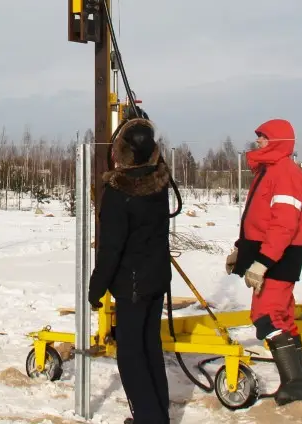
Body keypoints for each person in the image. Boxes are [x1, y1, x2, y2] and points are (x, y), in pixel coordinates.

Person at [88, 117, 172, 424]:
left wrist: (97, 288)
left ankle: (149, 419)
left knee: (131, 355)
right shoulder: (159, 185)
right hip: (156, 280)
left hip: (132, 286)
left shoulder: (119, 193)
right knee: (150, 347)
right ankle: (158, 415)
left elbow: (111, 249)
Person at [225, 118, 302, 405]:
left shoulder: (285, 173)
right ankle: (294, 381)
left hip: (278, 260)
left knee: (267, 315)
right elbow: (258, 220)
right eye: (259, 137)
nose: (258, 141)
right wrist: (242, 252)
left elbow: (283, 225)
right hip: (270, 257)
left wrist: (263, 262)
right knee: (283, 316)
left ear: (278, 141)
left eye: (263, 137)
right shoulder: (269, 171)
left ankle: (295, 384)